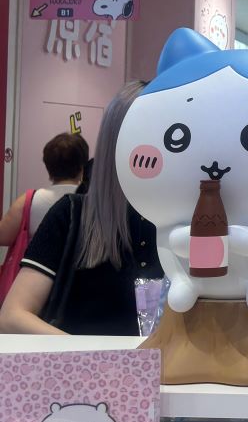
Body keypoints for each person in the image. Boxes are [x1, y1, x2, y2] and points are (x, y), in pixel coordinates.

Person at [0, 81, 163, 335]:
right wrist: (90, 354)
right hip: (83, 360)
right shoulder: (70, 214)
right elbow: (13, 315)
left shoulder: (184, 223)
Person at [0, 133, 89, 306]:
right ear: (82, 166)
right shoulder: (93, 203)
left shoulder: (29, 201)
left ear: (48, 166)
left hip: (31, 294)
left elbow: (3, 236)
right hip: (77, 293)